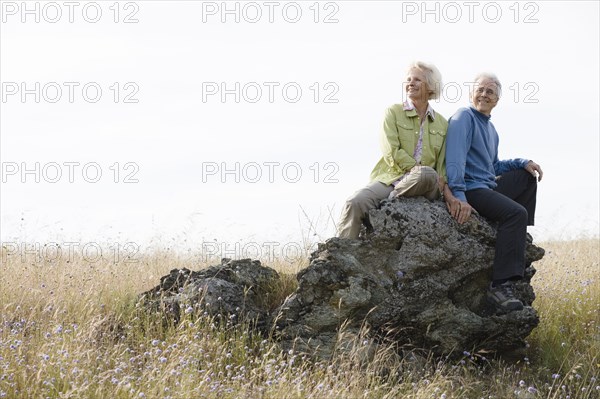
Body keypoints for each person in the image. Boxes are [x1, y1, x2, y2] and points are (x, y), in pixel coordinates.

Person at [444, 72, 543, 313]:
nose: (484, 94)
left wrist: (522, 161)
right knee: (515, 213)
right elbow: (454, 160)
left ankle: (514, 235)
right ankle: (500, 287)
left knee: (527, 176)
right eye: (480, 89)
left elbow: (494, 166)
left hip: (487, 184)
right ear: (471, 93)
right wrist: (459, 196)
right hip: (471, 188)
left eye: (490, 92)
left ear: (496, 100)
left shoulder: (491, 129)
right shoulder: (463, 118)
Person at [338, 61, 452, 239]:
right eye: (408, 79)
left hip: (426, 183)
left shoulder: (443, 123)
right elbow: (390, 151)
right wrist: (413, 168)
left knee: (426, 174)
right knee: (355, 202)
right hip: (392, 177)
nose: (410, 83)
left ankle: (385, 205)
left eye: (417, 80)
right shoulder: (393, 112)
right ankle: (341, 253)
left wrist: (443, 186)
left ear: (430, 87)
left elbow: (443, 163)